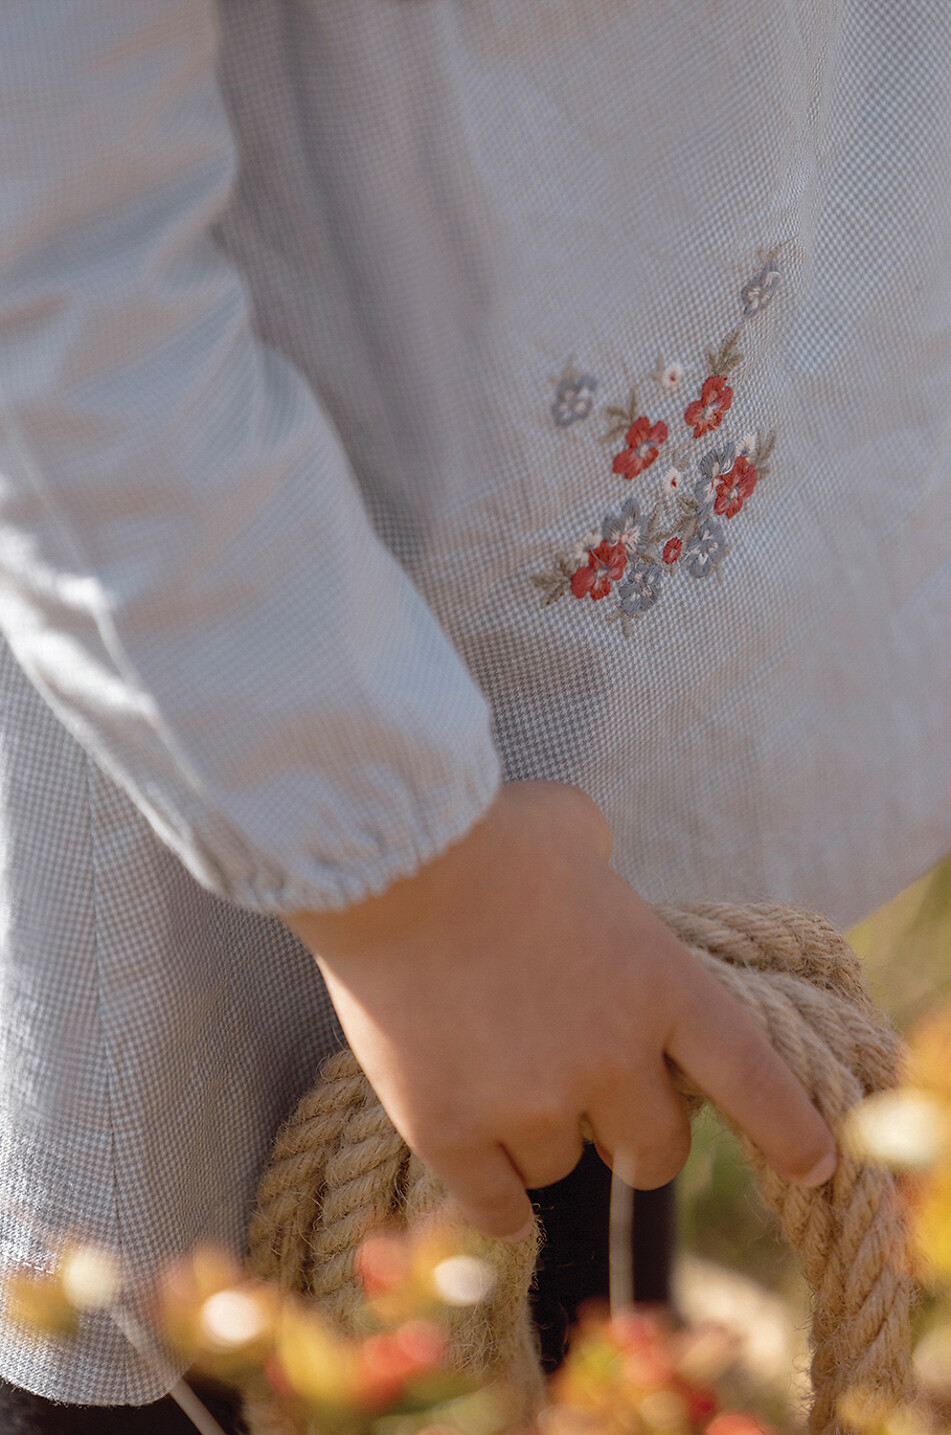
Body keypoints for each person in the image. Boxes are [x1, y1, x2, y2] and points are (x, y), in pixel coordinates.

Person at [0, 0, 948, 1429]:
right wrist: (415, 889)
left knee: (569, 1271)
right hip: (251, 756)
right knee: (204, 1345)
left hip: (564, 843)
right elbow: (40, 234)